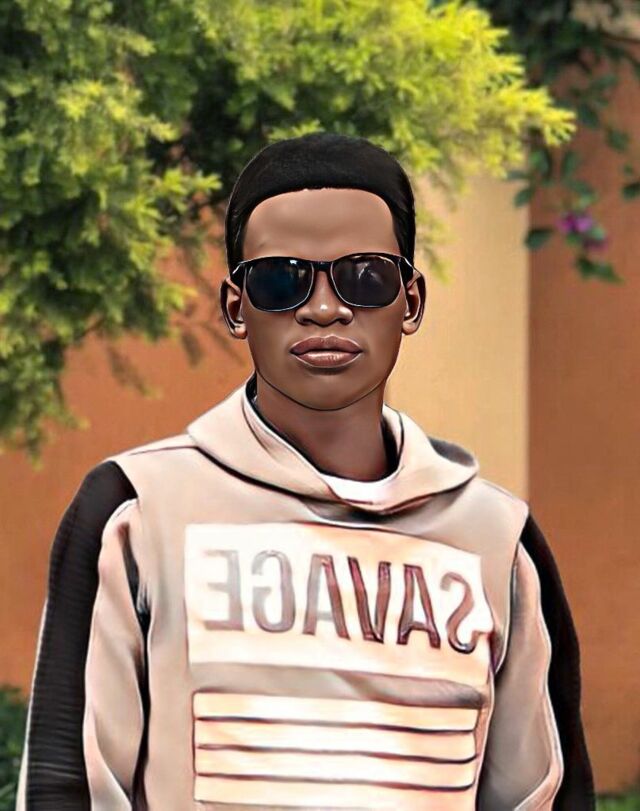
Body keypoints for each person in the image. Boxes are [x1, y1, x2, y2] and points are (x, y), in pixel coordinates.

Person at [16, 132, 595, 810]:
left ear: (411, 300)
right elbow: (66, 785)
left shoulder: (498, 541)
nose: (324, 308)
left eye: (366, 276)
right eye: (281, 280)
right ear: (236, 306)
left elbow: (547, 793)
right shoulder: (137, 510)